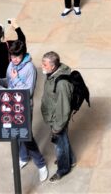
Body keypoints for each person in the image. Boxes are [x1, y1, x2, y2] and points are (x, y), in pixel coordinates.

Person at [5, 39, 49, 182]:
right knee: (15, 134)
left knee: (25, 135)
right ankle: (23, 157)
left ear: (23, 54)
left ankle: (41, 164)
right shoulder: (11, 63)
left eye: (17, 57)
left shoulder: (29, 68)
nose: (14, 60)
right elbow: (8, 82)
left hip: (24, 106)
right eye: (12, 56)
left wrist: (16, 78)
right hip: (12, 104)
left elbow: (29, 91)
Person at [40, 52, 76, 181]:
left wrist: (57, 127)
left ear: (53, 66)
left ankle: (63, 169)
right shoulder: (52, 75)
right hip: (53, 116)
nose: (42, 66)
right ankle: (70, 160)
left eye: (45, 64)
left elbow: (63, 108)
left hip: (57, 120)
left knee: (59, 145)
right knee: (63, 140)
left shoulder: (62, 84)